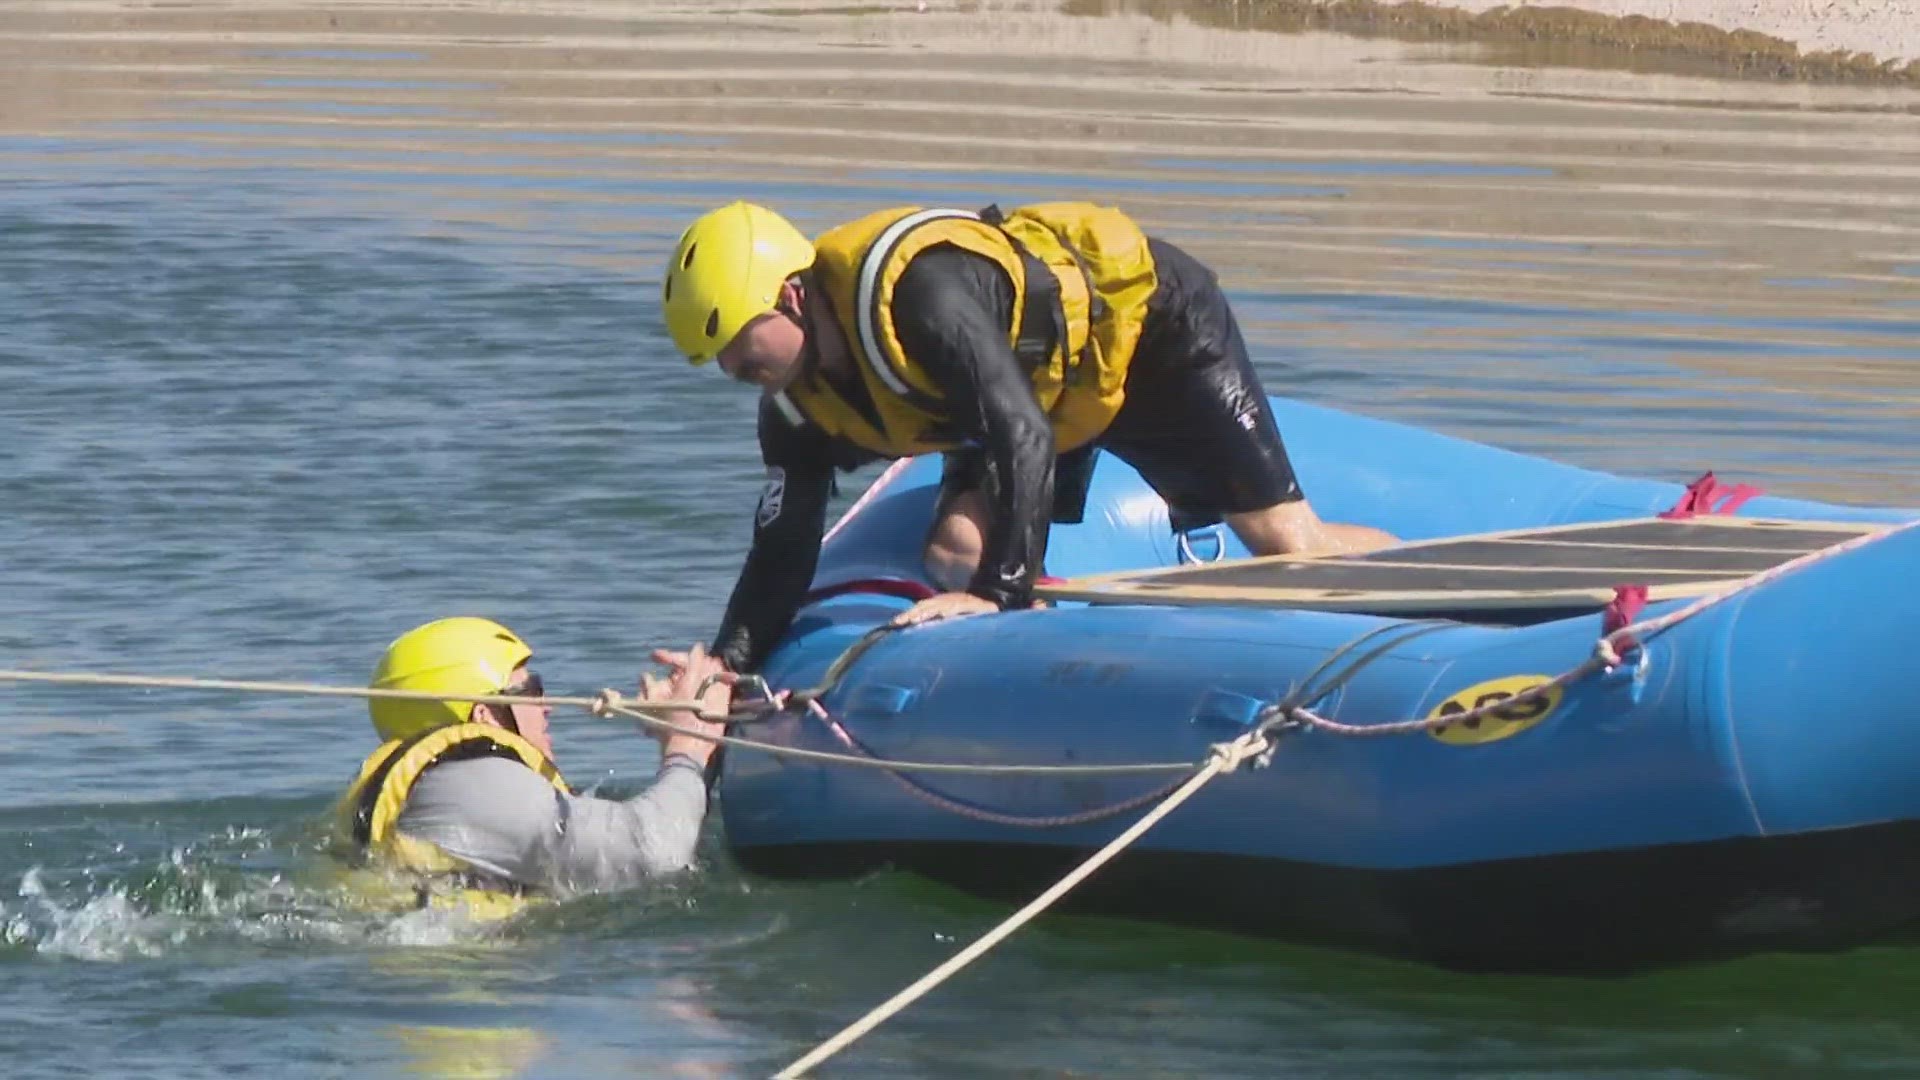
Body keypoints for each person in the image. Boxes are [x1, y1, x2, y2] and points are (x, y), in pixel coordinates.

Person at [660, 199, 1399, 675]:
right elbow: (784, 546)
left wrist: (1001, 596)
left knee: (1286, 545)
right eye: (719, 361)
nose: (737, 370)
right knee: (955, 554)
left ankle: (1425, 582)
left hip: (1146, 335)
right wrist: (729, 665)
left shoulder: (921, 297)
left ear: (792, 295)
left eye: (742, 347)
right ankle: (1068, 679)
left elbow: (1022, 432)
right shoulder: (795, 407)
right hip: (1033, 396)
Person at [330, 616, 731, 909]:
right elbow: (655, 853)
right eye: (532, 690)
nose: (547, 708)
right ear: (486, 713)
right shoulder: (478, 787)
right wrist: (691, 739)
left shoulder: (441, 787)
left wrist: (673, 739)